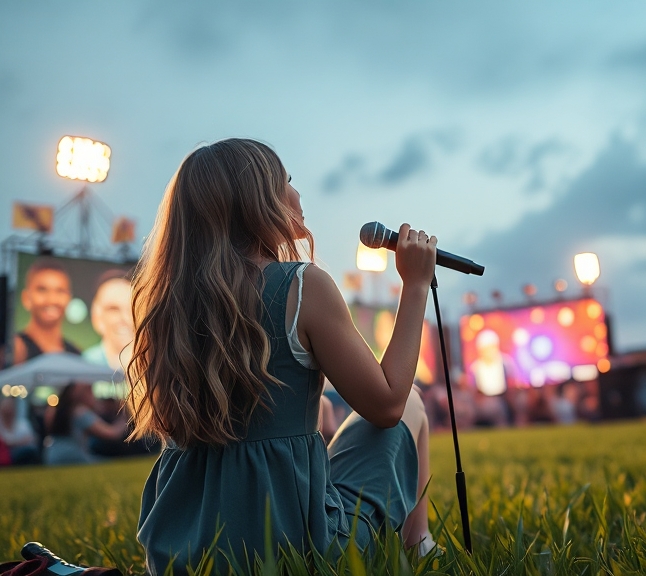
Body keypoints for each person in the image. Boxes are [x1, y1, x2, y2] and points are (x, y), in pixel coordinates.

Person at [127, 139, 437, 574]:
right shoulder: (302, 286)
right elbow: (387, 405)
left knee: (333, 425)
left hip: (186, 557)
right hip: (299, 551)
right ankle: (418, 545)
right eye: (286, 181)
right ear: (257, 201)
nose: (297, 193)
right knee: (414, 405)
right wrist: (416, 285)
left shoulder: (166, 306)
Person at [12, 259, 80, 365]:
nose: (52, 300)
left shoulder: (76, 355)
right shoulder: (16, 349)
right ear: (26, 298)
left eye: (60, 291)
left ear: (69, 299)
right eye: (42, 290)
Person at [44, 383, 127, 465]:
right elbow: (111, 433)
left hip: (51, 456)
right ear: (80, 394)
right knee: (114, 464)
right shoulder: (80, 411)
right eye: (89, 390)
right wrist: (126, 418)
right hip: (74, 456)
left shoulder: (55, 411)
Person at [82, 271, 134, 369]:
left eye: (131, 309)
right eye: (114, 309)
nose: (125, 318)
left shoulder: (156, 369)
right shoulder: (83, 366)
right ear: (96, 317)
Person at [0, 397, 39, 465]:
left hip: (21, 453)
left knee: (30, 450)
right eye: (5, 408)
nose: (8, 411)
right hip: (4, 454)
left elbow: (32, 439)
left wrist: (10, 443)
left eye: (9, 408)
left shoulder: (22, 424)